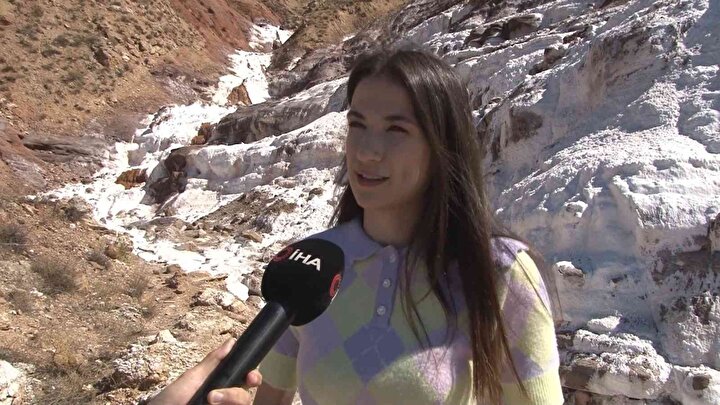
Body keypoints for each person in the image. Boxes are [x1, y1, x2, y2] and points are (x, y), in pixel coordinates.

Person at [150, 47, 562, 405]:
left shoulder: (499, 272)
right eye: (357, 125)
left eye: (396, 130)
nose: (366, 151)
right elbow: (268, 398)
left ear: (443, 145)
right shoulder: (311, 266)